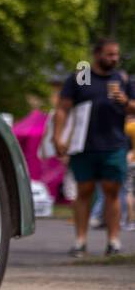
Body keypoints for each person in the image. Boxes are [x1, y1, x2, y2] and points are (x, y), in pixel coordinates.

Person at [53, 39, 135, 256]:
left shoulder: (122, 78)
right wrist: (58, 136)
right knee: (83, 192)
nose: (114, 59)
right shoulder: (83, 74)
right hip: (83, 145)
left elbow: (134, 107)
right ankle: (80, 242)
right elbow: (63, 107)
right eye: (109, 55)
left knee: (112, 193)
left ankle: (113, 242)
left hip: (114, 145)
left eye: (116, 55)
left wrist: (125, 101)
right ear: (97, 54)